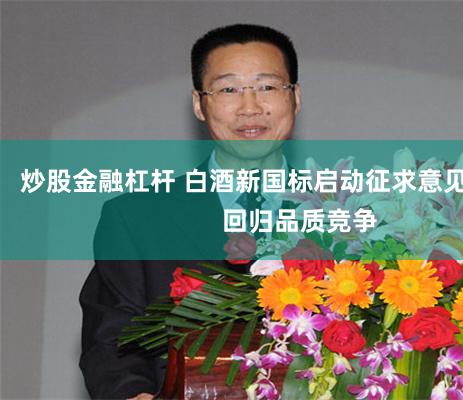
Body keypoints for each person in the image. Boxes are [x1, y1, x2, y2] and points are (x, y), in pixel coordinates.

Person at [79, 24, 302, 399]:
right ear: (200, 104)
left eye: (267, 87)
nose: (250, 107)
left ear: (295, 97)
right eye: (228, 89)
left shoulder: (352, 216)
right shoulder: (137, 218)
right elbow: (111, 342)